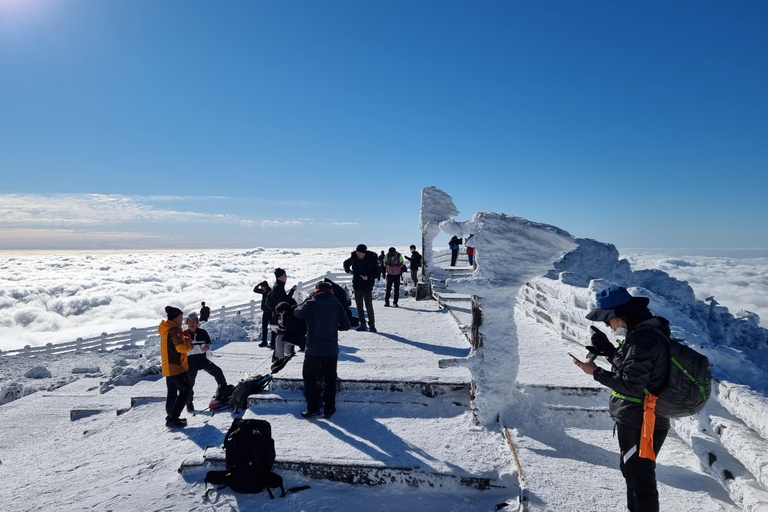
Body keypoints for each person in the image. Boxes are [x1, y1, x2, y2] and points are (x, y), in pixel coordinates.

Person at [572, 286, 671, 512]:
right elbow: (635, 370)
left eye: (608, 320)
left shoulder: (641, 340)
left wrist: (595, 372)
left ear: (620, 315)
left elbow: (630, 385)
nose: (608, 325)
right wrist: (608, 351)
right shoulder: (643, 332)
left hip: (641, 420)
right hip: (641, 417)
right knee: (633, 472)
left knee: (640, 479)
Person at [294, 281, 351, 419]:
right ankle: (329, 409)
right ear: (330, 291)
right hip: (331, 349)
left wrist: (308, 299)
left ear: (317, 290)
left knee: (310, 379)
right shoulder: (337, 305)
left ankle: (313, 409)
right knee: (330, 379)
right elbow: (346, 325)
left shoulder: (311, 303)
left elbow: (297, 312)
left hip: (313, 349)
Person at [183, 312, 227, 412]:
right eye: (190, 321)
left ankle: (223, 392)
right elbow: (180, 348)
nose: (192, 323)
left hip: (202, 360)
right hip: (190, 362)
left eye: (194, 321)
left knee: (218, 372)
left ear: (197, 322)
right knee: (189, 383)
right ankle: (189, 402)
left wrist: (207, 347)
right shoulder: (184, 334)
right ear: (187, 323)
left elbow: (209, 343)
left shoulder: (203, 332)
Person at [158, 306, 193, 428]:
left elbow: (173, 345)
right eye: (180, 316)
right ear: (175, 317)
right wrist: (189, 345)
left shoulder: (166, 329)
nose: (182, 318)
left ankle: (171, 416)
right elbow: (180, 348)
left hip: (168, 367)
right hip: (176, 367)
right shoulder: (174, 330)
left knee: (171, 393)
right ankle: (173, 418)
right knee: (185, 391)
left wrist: (184, 341)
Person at [343, 244, 379, 332]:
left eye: (360, 253)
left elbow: (377, 273)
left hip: (367, 285)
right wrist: (349, 271)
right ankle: (362, 323)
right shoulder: (354, 257)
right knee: (359, 305)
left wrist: (368, 277)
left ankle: (372, 324)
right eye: (357, 252)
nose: (358, 255)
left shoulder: (372, 258)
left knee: (368, 305)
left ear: (364, 253)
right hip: (357, 284)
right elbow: (345, 263)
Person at [272, 300, 307, 373]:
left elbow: (289, 331)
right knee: (285, 338)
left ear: (283, 311)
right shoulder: (292, 312)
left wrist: (279, 330)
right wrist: (283, 326)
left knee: (280, 338)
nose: (281, 315)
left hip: (300, 337)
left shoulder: (290, 316)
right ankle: (287, 356)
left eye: (280, 313)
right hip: (301, 335)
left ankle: (280, 359)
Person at [253, 280, 275, 348]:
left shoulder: (270, 291)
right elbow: (255, 290)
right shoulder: (263, 291)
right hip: (265, 312)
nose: (261, 288)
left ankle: (273, 342)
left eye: (262, 287)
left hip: (271, 312)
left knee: (272, 327)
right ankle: (264, 341)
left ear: (265, 286)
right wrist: (258, 284)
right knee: (264, 328)